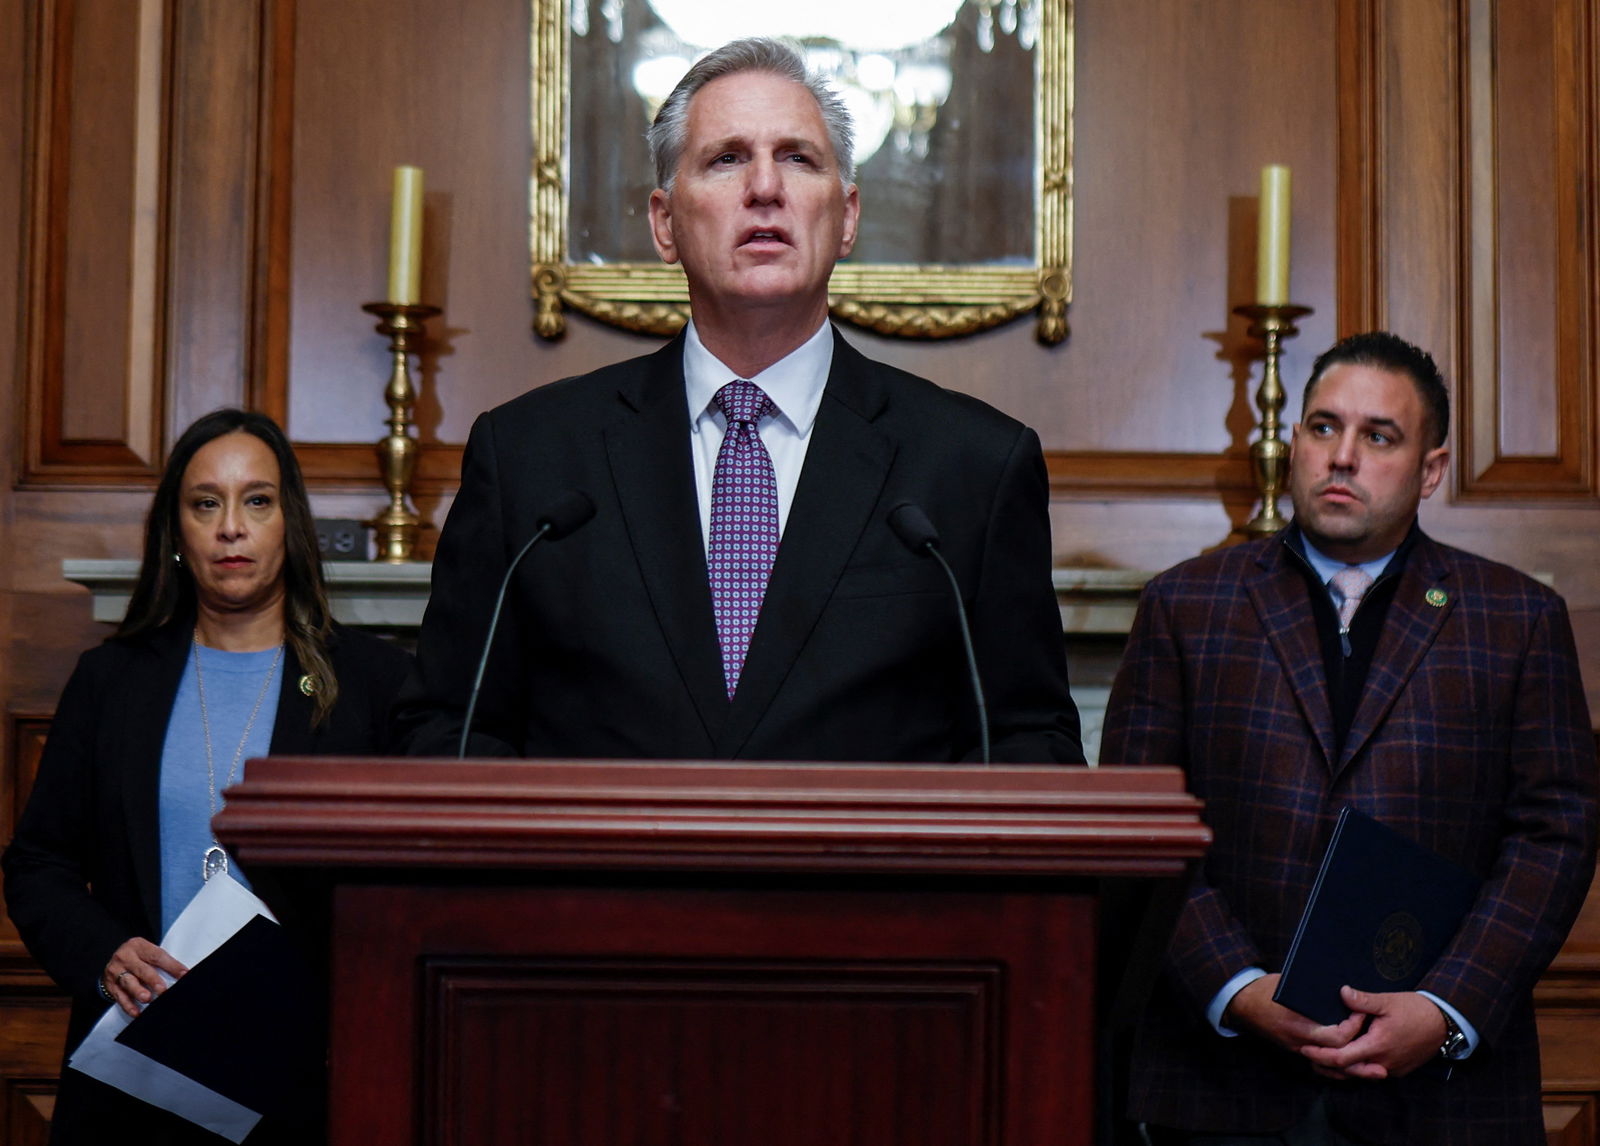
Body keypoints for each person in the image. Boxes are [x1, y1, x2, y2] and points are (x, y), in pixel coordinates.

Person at [394, 38, 1081, 764]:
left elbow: (1030, 745)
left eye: (797, 158)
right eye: (726, 158)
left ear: (846, 217)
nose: (764, 187)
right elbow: (447, 730)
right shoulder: (532, 458)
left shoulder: (972, 465)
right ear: (664, 223)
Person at [1101, 331, 1598, 1145]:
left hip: (1441, 1098)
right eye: (1324, 427)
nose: (1342, 457)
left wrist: (1445, 1008)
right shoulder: (1186, 606)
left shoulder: (1515, 619)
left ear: (1430, 469)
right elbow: (1135, 826)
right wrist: (1236, 986)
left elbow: (1557, 836)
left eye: (1378, 436)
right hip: (1224, 1089)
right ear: (1293, 443)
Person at [3, 409, 413, 1145]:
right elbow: (38, 865)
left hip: (308, 1075)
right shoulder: (111, 681)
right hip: (138, 1065)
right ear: (176, 533)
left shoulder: (374, 682)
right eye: (205, 503)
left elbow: (408, 885)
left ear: (290, 523)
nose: (231, 527)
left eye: (257, 500)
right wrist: (102, 953)